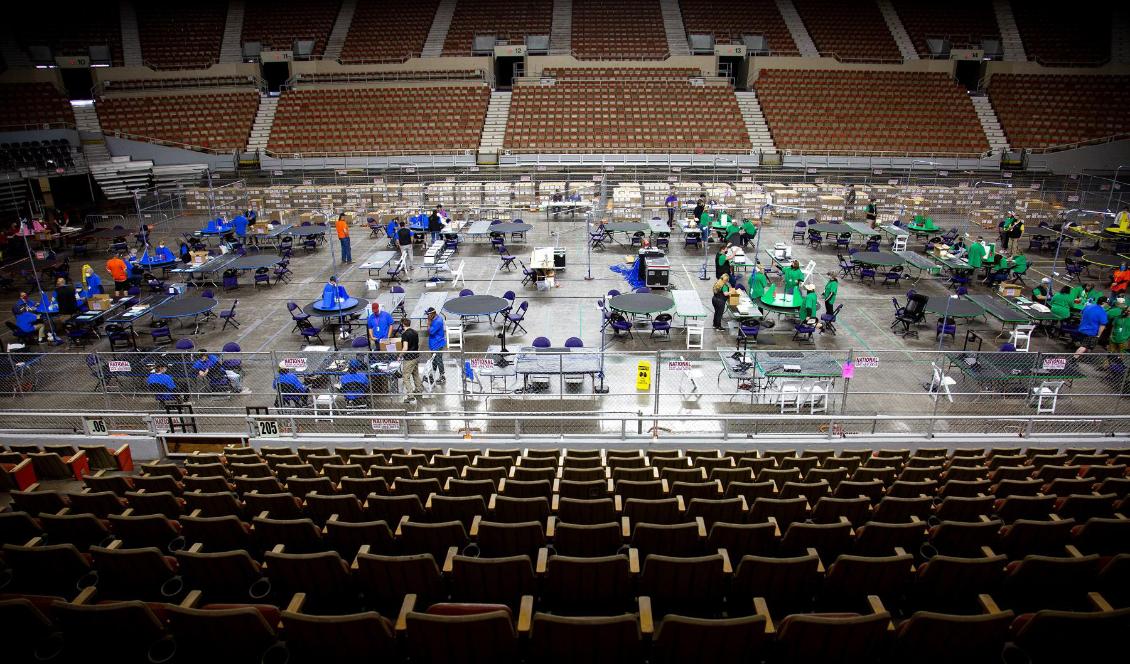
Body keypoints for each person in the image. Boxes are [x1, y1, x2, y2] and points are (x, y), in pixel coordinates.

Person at [399, 317, 421, 404]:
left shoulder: (405, 335)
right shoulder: (415, 332)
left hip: (409, 358)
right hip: (416, 357)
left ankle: (410, 396)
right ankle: (419, 389)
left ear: (402, 324)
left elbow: (405, 348)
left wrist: (400, 356)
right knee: (415, 374)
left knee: (405, 377)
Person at [424, 307, 446, 385]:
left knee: (438, 360)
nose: (427, 316)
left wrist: (428, 324)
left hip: (438, 344)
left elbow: (431, 332)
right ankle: (431, 376)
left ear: (433, 313)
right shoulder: (434, 319)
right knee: (434, 361)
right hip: (433, 344)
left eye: (428, 314)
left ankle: (442, 376)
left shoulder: (438, 321)